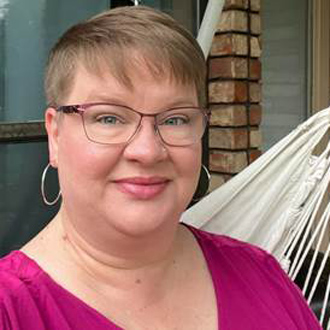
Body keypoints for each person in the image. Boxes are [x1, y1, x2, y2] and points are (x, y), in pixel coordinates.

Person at [0, 6, 321, 330]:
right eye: (109, 118)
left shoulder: (262, 275)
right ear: (55, 135)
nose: (148, 151)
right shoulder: (11, 311)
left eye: (175, 119)